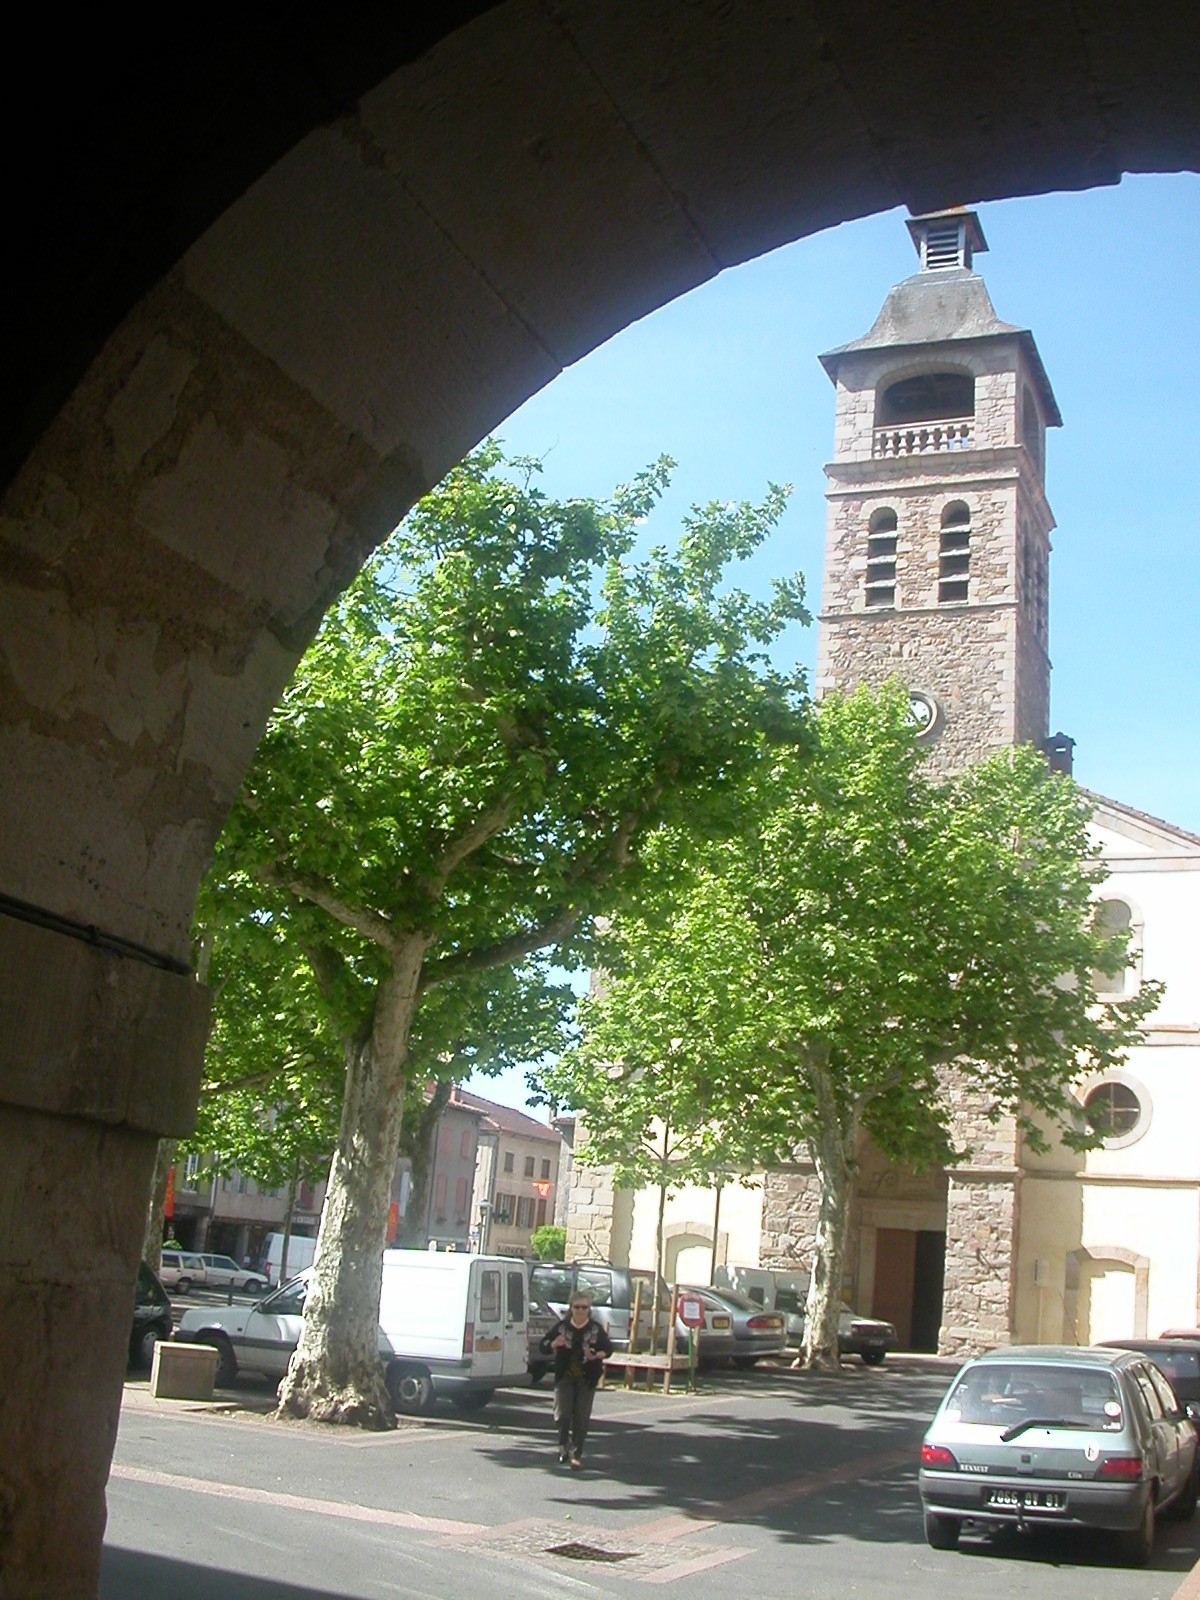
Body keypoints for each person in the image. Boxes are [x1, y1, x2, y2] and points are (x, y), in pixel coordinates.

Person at [539, 1291, 613, 1469]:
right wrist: (555, 1344)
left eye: (584, 1307)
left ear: (589, 1309)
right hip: (564, 1375)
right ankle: (563, 1443)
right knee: (563, 1414)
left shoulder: (595, 1329)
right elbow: (543, 1346)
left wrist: (595, 1355)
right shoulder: (562, 1327)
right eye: (577, 1307)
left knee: (581, 1417)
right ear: (571, 1309)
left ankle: (577, 1453)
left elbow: (608, 1349)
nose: (581, 1311)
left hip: (587, 1378)